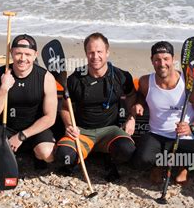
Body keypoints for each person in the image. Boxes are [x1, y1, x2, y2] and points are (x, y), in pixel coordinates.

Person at [55, 33, 137, 181]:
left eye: (99, 52)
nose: (95, 56)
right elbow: (65, 108)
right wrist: (68, 125)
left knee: (127, 149)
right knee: (63, 156)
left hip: (110, 131)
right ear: (86, 53)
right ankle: (78, 159)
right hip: (82, 132)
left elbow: (131, 95)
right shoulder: (75, 79)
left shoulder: (121, 76)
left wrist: (131, 118)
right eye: (91, 52)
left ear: (107, 52)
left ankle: (110, 160)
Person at [131, 41, 194, 184]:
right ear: (152, 61)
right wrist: (139, 102)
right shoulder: (145, 81)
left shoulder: (189, 84)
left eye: (166, 59)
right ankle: (160, 165)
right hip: (156, 134)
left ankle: (182, 166)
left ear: (173, 60)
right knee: (141, 161)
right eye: (157, 59)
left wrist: (191, 127)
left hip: (183, 137)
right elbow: (141, 94)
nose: (162, 63)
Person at [0, 34, 58, 169]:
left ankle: (34, 154)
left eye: (27, 54)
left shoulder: (46, 77)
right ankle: (12, 157)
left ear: (35, 55)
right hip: (6, 126)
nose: (23, 58)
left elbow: (50, 118)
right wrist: (4, 88)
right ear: (11, 53)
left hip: (35, 128)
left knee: (48, 154)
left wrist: (21, 136)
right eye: (18, 53)